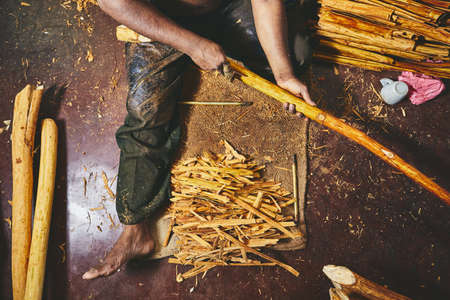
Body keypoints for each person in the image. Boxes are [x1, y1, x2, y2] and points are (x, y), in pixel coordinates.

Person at [82, 0, 315, 280]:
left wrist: (283, 73)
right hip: (164, 17)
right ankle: (136, 231)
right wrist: (192, 45)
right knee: (145, 114)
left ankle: (232, 45)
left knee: (297, 55)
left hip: (229, 5)